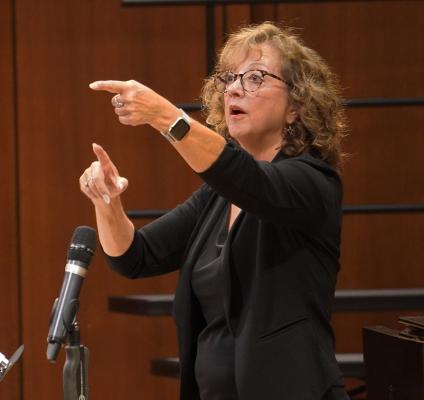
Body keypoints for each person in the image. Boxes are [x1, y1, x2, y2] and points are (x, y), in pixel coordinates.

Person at [80, 22, 348, 400]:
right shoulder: (217, 198)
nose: (235, 88)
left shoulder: (311, 182)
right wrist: (106, 202)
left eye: (256, 77)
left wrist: (164, 117)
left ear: (296, 107)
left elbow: (248, 179)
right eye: (230, 78)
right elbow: (135, 257)